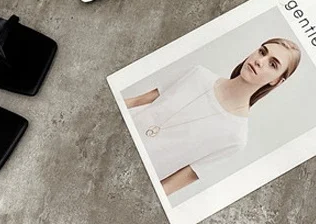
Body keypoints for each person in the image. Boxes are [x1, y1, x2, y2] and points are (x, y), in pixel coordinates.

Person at [124, 38, 301, 196]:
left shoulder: (236, 137)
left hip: (129, 173)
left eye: (273, 64)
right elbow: (137, 101)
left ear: (277, 81)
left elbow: (169, 185)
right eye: (262, 52)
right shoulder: (197, 74)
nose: (260, 61)